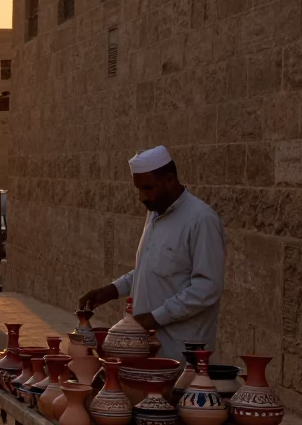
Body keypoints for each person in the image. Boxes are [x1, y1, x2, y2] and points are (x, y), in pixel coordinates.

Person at [79, 145, 225, 361]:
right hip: (145, 346)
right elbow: (150, 270)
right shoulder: (155, 214)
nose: (142, 197)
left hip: (181, 353)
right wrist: (111, 290)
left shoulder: (201, 219)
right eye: (139, 189)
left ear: (169, 179)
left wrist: (154, 318)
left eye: (148, 188)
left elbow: (207, 288)